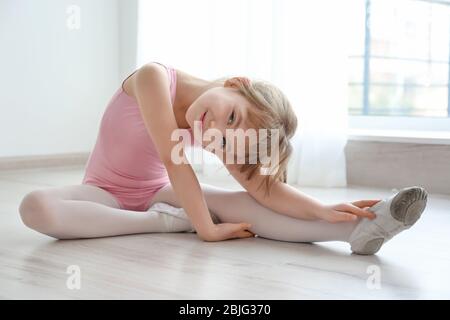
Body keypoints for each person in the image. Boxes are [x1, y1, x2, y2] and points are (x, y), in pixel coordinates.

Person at [18, 61, 428, 255]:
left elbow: (264, 190)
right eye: (230, 116)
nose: (214, 132)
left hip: (159, 190)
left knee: (241, 204)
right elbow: (174, 158)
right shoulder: (153, 78)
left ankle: (356, 234)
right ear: (236, 83)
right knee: (35, 207)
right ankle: (163, 224)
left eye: (226, 140)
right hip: (104, 193)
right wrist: (203, 229)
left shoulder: (222, 130)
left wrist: (324, 210)